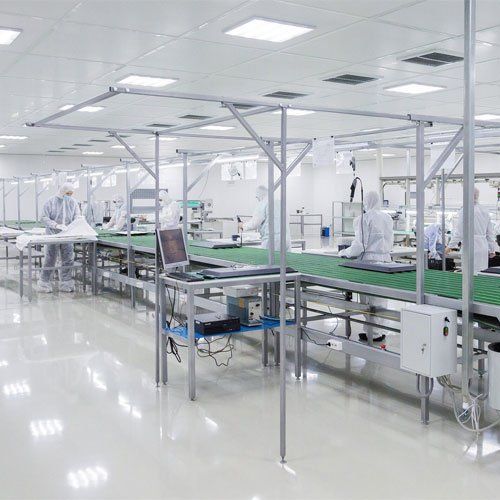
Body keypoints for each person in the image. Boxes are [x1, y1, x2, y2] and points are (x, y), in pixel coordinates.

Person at [338, 191, 394, 342]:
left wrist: (344, 252)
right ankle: (379, 331)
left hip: (369, 262)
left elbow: (359, 245)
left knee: (368, 300)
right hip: (386, 260)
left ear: (366, 202)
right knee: (381, 298)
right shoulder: (387, 218)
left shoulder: (364, 218)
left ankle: (373, 333)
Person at [37, 183, 81, 293]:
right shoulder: (51, 201)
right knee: (50, 259)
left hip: (67, 234)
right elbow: (43, 217)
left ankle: (66, 283)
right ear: (62, 192)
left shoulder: (73, 202)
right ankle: (44, 283)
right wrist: (56, 225)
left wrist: (75, 224)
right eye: (67, 193)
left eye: (71, 193)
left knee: (68, 259)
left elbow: (77, 216)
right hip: (53, 234)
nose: (69, 195)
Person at [447, 187, 495, 274]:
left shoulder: (465, 210)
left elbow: (459, 232)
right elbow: (490, 233)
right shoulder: (485, 210)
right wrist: (492, 249)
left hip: (470, 247)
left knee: (468, 274)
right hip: (482, 248)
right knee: (481, 273)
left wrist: (450, 246)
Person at [238, 185, 291, 251]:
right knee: (285, 257)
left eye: (257, 197)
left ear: (259, 195)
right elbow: (288, 218)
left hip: (272, 240)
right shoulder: (280, 201)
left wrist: (242, 226)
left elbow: (255, 223)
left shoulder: (263, 203)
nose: (257, 199)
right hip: (286, 239)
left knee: (269, 257)